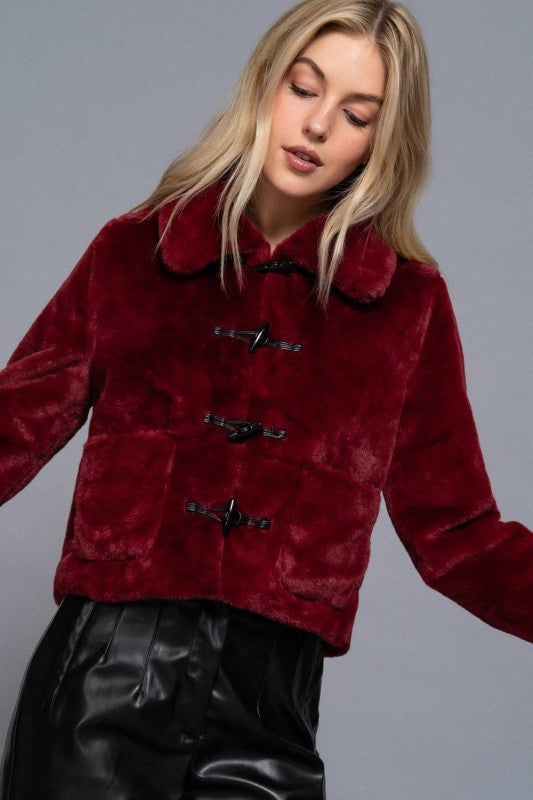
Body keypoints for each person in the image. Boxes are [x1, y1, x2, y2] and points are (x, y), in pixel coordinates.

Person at [0, 0, 531, 798]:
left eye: (355, 114)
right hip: (102, 685)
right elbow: (12, 427)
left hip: (268, 709)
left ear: (381, 140)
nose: (317, 125)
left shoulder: (404, 307)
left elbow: (459, 536)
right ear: (265, 85)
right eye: (303, 88)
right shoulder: (135, 255)